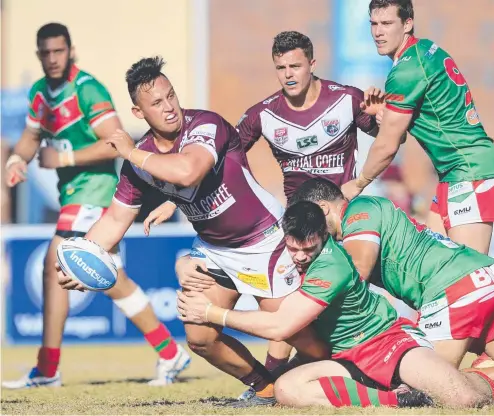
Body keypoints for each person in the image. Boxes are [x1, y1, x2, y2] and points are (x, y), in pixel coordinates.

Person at [56, 56, 328, 406]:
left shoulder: (205, 125)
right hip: (214, 251)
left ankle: (353, 372)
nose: (169, 107)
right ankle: (264, 388)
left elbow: (188, 172)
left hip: (264, 241)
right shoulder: (140, 162)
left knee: (303, 337)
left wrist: (130, 153)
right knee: (199, 338)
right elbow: (113, 220)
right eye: (156, 103)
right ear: (139, 113)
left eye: (171, 96)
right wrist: (85, 259)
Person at [144, 30, 387, 394]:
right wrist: (175, 197)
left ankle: (373, 367)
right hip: (298, 231)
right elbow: (218, 160)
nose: (288, 73)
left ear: (312, 65)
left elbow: (387, 133)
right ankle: (274, 386)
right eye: (281, 67)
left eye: (295, 66)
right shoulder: (263, 114)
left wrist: (380, 119)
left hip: (341, 221)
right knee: (294, 320)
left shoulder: (346, 99)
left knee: (344, 306)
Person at [177, 201, 494, 408]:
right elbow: (216, 252)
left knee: (459, 398)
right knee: (288, 391)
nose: (299, 258)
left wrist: (212, 314)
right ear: (284, 236)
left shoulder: (333, 263)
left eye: (308, 250)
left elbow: (281, 327)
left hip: (387, 342)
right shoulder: (282, 248)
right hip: (348, 356)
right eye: (294, 249)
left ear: (323, 238)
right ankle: (396, 401)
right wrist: (186, 261)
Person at [2, 23, 189, 389]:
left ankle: (48, 368)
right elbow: (29, 137)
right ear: (39, 54)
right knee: (104, 278)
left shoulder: (87, 89)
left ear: (70, 51)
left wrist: (66, 156)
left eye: (59, 51)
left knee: (59, 260)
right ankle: (168, 351)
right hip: (74, 196)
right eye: (46, 53)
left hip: (100, 192)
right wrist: (16, 161)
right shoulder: (41, 94)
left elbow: (116, 141)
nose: (53, 58)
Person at [290, 177, 494, 387]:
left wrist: (308, 304)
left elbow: (357, 269)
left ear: (323, 208)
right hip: (486, 277)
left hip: (453, 289)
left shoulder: (359, 211)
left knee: (421, 384)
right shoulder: (371, 208)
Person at [342, 0, 494, 255]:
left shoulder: (406, 70)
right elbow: (418, 120)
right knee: (429, 265)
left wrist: (358, 183)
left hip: (471, 170)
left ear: (407, 24)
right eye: (373, 24)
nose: (378, 32)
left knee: (466, 277)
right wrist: (385, 114)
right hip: (455, 173)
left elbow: (388, 145)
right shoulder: (424, 50)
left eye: (387, 23)